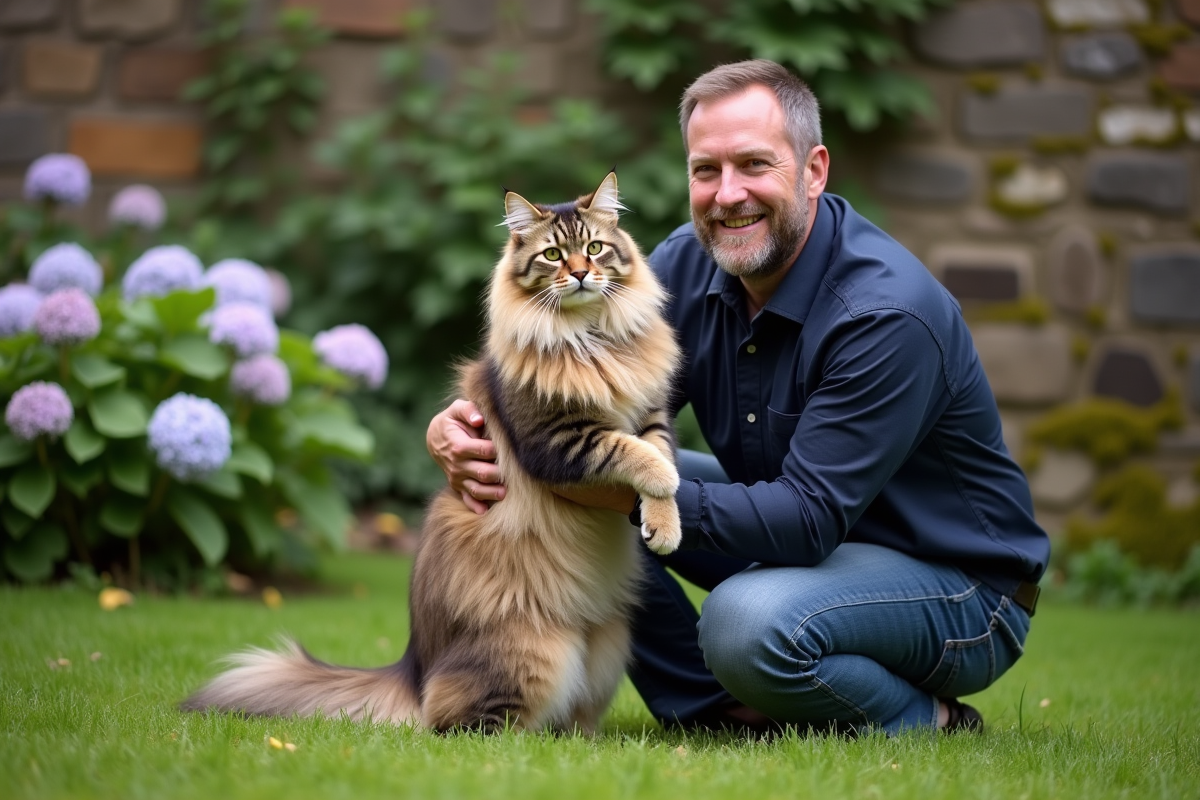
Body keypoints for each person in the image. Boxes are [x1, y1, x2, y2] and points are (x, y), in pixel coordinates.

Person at [426, 59, 1050, 735]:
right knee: (599, 471)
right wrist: (468, 432)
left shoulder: (885, 314)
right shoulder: (691, 265)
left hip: (955, 585)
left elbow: (805, 520)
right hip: (812, 540)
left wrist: (595, 476)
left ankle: (922, 718)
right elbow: (562, 404)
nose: (728, 195)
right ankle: (713, 711)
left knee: (742, 620)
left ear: (813, 170)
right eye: (706, 170)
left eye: (754, 164)